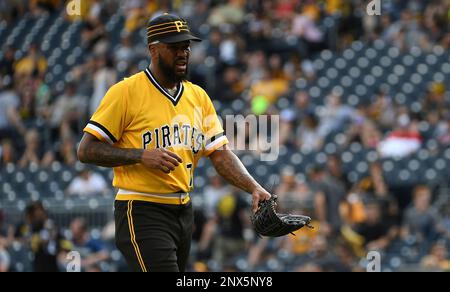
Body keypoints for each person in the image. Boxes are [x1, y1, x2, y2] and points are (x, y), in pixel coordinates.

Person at [77, 13, 271, 272]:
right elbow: (86, 150)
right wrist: (139, 155)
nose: (183, 53)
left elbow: (220, 154)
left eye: (186, 46)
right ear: (153, 49)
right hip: (142, 208)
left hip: (183, 211)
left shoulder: (198, 96)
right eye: (175, 47)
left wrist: (254, 187)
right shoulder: (125, 92)